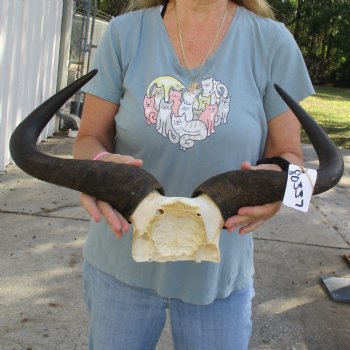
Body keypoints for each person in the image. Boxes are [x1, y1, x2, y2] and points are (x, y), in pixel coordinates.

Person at [72, 0, 314, 349]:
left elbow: (293, 158)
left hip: (218, 280)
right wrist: (92, 169)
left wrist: (282, 197)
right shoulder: (124, 34)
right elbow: (87, 139)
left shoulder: (273, 41)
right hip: (119, 268)